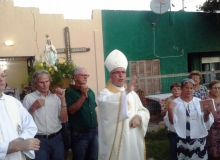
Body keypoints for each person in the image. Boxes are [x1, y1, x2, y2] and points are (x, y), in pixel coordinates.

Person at [97, 49, 150, 160]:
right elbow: (108, 103)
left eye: (123, 72)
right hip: (115, 144)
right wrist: (127, 91)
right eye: (117, 72)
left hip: (132, 139)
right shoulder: (105, 94)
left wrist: (139, 117)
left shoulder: (132, 94)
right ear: (110, 75)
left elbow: (143, 110)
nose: (121, 75)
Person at [23, 70, 68, 160]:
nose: (45, 85)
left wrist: (63, 100)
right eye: (41, 82)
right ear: (35, 84)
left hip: (56, 138)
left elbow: (63, 119)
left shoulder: (56, 97)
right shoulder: (29, 98)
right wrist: (33, 108)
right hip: (39, 140)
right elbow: (24, 122)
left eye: (47, 81)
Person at [164, 78, 214, 160]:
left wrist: (206, 115)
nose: (189, 90)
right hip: (182, 138)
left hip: (198, 137)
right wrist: (170, 109)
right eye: (186, 87)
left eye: (191, 88)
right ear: (182, 89)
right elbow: (171, 122)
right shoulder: (175, 103)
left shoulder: (199, 102)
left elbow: (205, 122)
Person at [0, 68, 40, 160]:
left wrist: (21, 140)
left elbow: (30, 126)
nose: (1, 79)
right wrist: (11, 147)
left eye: (2, 76)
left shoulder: (14, 102)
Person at [65, 67, 98, 160]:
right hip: (79, 135)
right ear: (75, 78)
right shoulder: (70, 92)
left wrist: (96, 125)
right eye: (82, 75)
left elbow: (93, 109)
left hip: (93, 132)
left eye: (86, 75)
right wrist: (83, 96)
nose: (85, 77)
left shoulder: (90, 92)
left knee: (92, 158)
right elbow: (71, 110)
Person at [160, 82, 181, 160]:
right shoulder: (167, 100)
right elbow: (162, 113)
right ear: (171, 91)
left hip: (183, 125)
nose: (176, 91)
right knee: (174, 146)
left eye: (178, 89)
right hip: (172, 128)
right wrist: (169, 108)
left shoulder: (184, 99)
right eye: (174, 89)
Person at [204, 80, 220, 160]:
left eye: (219, 88)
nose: (217, 90)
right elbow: (202, 115)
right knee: (212, 153)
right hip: (212, 130)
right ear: (210, 89)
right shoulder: (206, 100)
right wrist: (206, 114)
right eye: (214, 88)